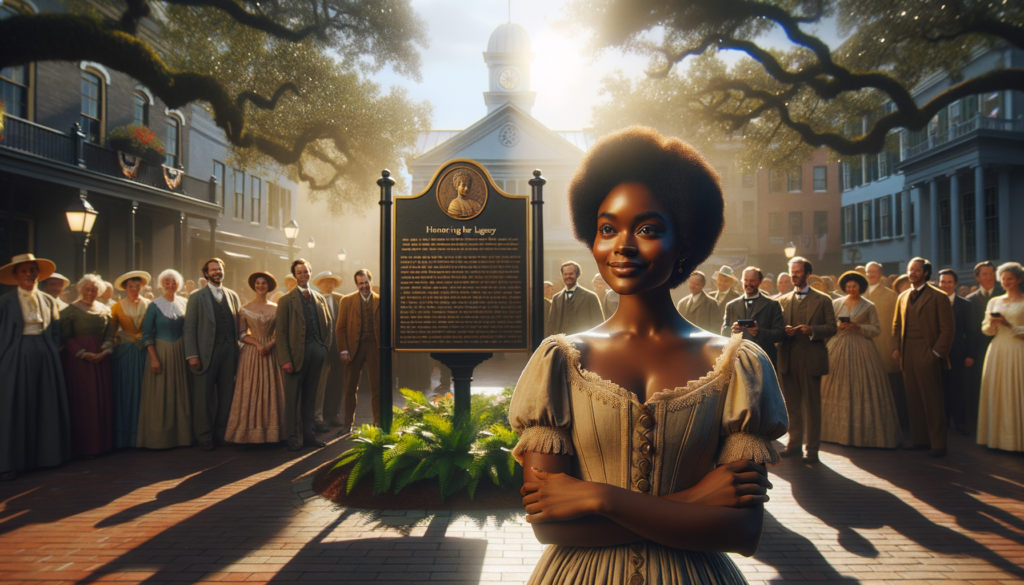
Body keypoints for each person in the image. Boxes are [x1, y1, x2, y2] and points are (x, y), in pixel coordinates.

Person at [510, 126, 786, 583]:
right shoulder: (557, 362)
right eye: (606, 228)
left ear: (685, 243)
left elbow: (741, 530)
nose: (622, 245)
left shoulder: (740, 366)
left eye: (647, 229)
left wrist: (597, 498)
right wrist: (696, 501)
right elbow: (550, 523)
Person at [0, 254, 70, 480]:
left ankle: (47, 457)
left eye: (33, 271)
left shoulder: (49, 300)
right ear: (15, 275)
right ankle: (12, 462)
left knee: (46, 403)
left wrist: (54, 346)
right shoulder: (5, 302)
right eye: (23, 271)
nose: (29, 275)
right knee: (15, 405)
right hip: (16, 354)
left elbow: (57, 329)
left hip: (46, 354)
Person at [820, 271, 901, 449]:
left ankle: (864, 434)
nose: (851, 289)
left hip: (862, 349)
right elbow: (830, 326)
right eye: (848, 286)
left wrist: (858, 327)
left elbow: (876, 329)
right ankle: (831, 432)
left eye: (854, 286)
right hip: (837, 347)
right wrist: (838, 328)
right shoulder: (835, 304)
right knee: (833, 386)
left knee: (862, 387)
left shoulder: (869, 306)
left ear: (860, 287)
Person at [777, 256, 837, 463]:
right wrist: (782, 331)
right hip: (788, 358)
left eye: (798, 272)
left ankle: (812, 450)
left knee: (812, 406)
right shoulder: (782, 301)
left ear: (808, 274)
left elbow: (832, 328)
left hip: (811, 358)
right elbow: (776, 330)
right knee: (792, 406)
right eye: (792, 271)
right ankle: (793, 446)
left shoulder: (823, 300)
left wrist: (812, 330)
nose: (794, 275)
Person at [893, 257, 954, 457]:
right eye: (910, 270)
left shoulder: (939, 296)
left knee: (932, 399)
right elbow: (896, 326)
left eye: (917, 270)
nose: (912, 273)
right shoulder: (902, 297)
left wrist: (936, 353)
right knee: (913, 398)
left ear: (926, 273)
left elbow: (948, 329)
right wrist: (896, 348)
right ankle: (919, 440)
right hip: (907, 352)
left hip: (928, 351)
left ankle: (938, 444)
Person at [184, 258, 241, 451]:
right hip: (205, 352)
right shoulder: (197, 296)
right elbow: (190, 327)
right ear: (206, 274)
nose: (217, 272)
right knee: (203, 396)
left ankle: (222, 433)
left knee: (227, 395)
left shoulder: (232, 295)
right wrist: (192, 354)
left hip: (229, 352)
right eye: (213, 270)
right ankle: (204, 436)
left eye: (220, 269)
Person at [276, 260, 332, 450]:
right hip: (294, 357)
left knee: (311, 397)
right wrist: (285, 359)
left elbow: (329, 325)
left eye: (306, 271)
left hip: (317, 354)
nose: (303, 275)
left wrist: (324, 347)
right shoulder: (286, 300)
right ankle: (292, 437)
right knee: (292, 399)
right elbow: (280, 332)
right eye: (299, 272)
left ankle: (309, 436)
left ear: (310, 272)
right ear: (294, 275)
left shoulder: (320, 298)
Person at [225, 272, 285, 444]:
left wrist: (270, 345)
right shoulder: (244, 308)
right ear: (254, 286)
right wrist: (259, 345)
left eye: (263, 283)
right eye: (257, 283)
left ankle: (273, 434)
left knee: (272, 390)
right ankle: (248, 434)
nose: (260, 286)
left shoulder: (276, 308)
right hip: (252, 353)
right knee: (251, 390)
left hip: (271, 352)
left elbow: (280, 332)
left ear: (269, 286)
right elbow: (241, 334)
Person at [60, 273, 116, 458]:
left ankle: (102, 445)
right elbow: (65, 337)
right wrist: (84, 354)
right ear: (79, 288)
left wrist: (105, 350)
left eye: (94, 289)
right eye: (87, 288)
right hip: (79, 363)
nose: (90, 292)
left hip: (101, 359)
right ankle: (84, 447)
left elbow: (109, 334)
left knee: (101, 400)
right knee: (84, 402)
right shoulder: (69, 311)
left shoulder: (105, 310)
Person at [138, 270, 193, 449]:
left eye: (174, 282)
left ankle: (183, 437)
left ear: (179, 284)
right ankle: (160, 439)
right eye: (167, 282)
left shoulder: (185, 302)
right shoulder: (154, 305)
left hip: (181, 351)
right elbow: (147, 334)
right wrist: (154, 359)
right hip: (161, 352)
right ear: (162, 284)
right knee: (162, 393)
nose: (171, 285)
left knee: (182, 392)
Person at [976, 262, 1024, 452]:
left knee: (1016, 391)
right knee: (998, 391)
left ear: (1019, 279)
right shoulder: (994, 301)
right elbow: (985, 329)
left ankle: (1016, 441)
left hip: (1018, 350)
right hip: (997, 350)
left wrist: (1008, 324)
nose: (1006, 282)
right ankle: (996, 440)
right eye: (1003, 279)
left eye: (1010, 278)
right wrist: (992, 325)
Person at [109, 271, 152, 449]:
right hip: (125, 355)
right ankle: (126, 436)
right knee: (127, 390)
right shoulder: (117, 307)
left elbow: (154, 327)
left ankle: (146, 435)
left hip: (145, 352)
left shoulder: (150, 305)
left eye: (137, 286)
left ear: (142, 287)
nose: (134, 290)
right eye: (130, 287)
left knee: (146, 391)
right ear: (125, 288)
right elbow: (111, 333)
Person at [863, 261, 906, 429]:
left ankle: (892, 423)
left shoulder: (892, 295)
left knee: (890, 387)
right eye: (868, 272)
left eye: (874, 272)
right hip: (865, 349)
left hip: (885, 347)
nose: (871, 275)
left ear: (880, 273)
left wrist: (896, 347)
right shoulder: (859, 294)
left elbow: (898, 324)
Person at [337, 269, 381, 429]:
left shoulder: (380, 300)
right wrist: (343, 350)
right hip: (353, 348)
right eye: (361, 283)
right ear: (356, 285)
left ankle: (378, 424)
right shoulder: (346, 301)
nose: (364, 286)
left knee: (377, 388)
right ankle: (348, 425)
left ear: (371, 281)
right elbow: (340, 328)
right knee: (350, 388)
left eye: (366, 282)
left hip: (375, 348)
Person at [966, 261, 1005, 431]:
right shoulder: (969, 300)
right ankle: (980, 422)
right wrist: (969, 354)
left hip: (1002, 346)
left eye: (991, 273)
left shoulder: (1005, 294)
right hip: (978, 350)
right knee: (978, 385)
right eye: (985, 274)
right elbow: (968, 331)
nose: (989, 277)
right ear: (977, 277)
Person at [938, 269, 977, 435]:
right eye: (943, 282)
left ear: (955, 284)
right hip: (938, 351)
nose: (946, 285)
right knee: (940, 387)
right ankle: (943, 421)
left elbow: (971, 330)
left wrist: (970, 354)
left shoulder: (965, 304)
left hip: (958, 351)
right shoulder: (934, 302)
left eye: (949, 282)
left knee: (957, 387)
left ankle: (960, 421)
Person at [722, 267, 785, 370]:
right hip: (738, 361)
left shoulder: (772, 305)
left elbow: (780, 334)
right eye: (745, 280)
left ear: (760, 281)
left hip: (764, 360)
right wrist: (732, 331)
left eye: (752, 280)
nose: (748, 284)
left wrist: (759, 332)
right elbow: (723, 331)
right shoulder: (731, 305)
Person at [313, 271, 346, 428]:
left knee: (337, 380)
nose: (329, 285)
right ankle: (320, 415)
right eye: (325, 282)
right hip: (320, 346)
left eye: (332, 282)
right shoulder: (312, 298)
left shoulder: (341, 299)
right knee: (321, 381)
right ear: (319, 284)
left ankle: (333, 414)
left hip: (338, 346)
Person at [547, 261, 605, 335]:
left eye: (571, 274)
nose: (568, 276)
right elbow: (551, 325)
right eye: (565, 274)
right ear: (562, 276)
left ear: (577, 275)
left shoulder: (591, 297)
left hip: (584, 342)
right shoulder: (556, 298)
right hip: (563, 342)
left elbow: (599, 324)